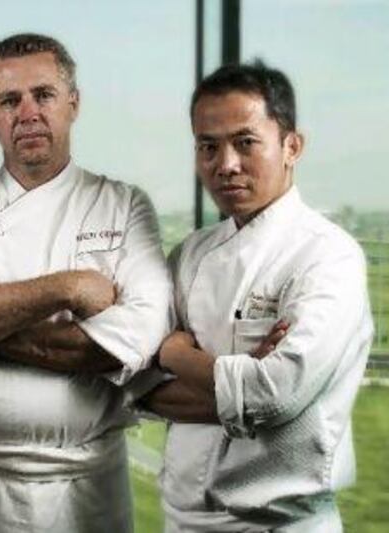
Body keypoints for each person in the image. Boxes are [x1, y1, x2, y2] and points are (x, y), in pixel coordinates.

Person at [0, 33, 170, 532]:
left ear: (73, 103)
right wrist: (69, 288)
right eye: (9, 100)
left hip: (87, 485)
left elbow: (135, 339)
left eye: (43, 95)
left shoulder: (125, 205)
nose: (27, 112)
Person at [142, 61, 374, 532]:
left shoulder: (328, 257)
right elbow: (129, 377)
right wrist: (238, 384)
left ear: (292, 146)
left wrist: (174, 353)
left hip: (281, 523)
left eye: (245, 143)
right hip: (181, 519)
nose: (225, 164)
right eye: (208, 146)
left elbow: (274, 395)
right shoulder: (190, 254)